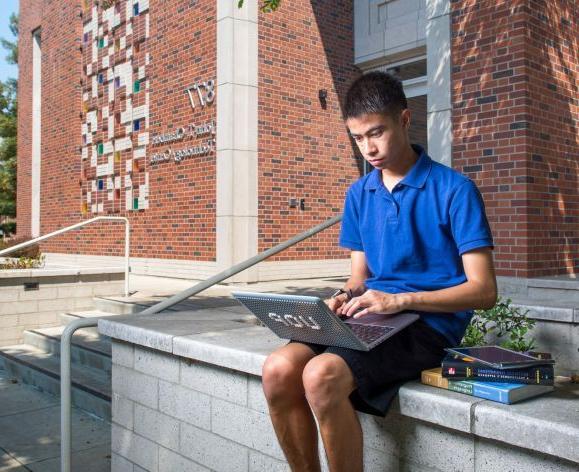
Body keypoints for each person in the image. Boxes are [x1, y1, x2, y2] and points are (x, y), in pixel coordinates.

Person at [261, 71, 497, 472]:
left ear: (404, 120)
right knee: (278, 369)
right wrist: (343, 297)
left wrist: (399, 299)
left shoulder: (455, 190)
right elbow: (359, 278)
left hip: (428, 325)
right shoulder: (359, 194)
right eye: (357, 138)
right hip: (374, 316)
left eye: (377, 133)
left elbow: (484, 291)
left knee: (320, 376)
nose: (368, 148)